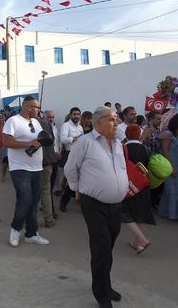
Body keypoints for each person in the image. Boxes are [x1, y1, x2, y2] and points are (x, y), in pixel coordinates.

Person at [65, 106, 127, 308]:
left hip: (116, 205)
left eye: (117, 119)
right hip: (93, 203)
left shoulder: (118, 143)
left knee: (108, 247)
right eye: (112, 119)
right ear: (98, 122)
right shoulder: (85, 142)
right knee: (101, 249)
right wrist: (76, 188)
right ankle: (101, 294)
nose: (116, 123)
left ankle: (105, 285)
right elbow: (70, 168)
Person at [3, 96, 49, 247]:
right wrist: (28, 143)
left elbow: (40, 139)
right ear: (29, 107)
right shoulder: (13, 121)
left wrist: (41, 143)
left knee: (34, 202)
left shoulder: (35, 122)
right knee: (25, 199)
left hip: (37, 168)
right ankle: (15, 229)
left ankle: (31, 234)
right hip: (19, 168)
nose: (38, 110)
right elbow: (7, 142)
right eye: (36, 108)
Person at [122, 124, 155, 254]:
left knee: (124, 212)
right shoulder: (146, 149)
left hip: (128, 185)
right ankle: (137, 243)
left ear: (126, 135)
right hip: (143, 184)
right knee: (142, 213)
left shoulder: (123, 148)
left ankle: (142, 240)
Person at [59, 107, 84, 212]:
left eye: (78, 114)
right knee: (72, 180)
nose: (76, 116)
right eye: (74, 114)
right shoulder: (66, 125)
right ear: (70, 115)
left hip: (81, 155)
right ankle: (63, 202)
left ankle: (81, 201)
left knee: (81, 179)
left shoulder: (80, 127)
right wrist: (74, 138)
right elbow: (63, 140)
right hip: (70, 154)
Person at [38, 110, 60, 227]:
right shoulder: (46, 125)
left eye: (53, 117)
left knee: (40, 190)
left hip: (41, 162)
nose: (51, 119)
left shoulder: (47, 125)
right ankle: (49, 218)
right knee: (45, 190)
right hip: (47, 160)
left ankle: (27, 220)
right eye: (49, 117)